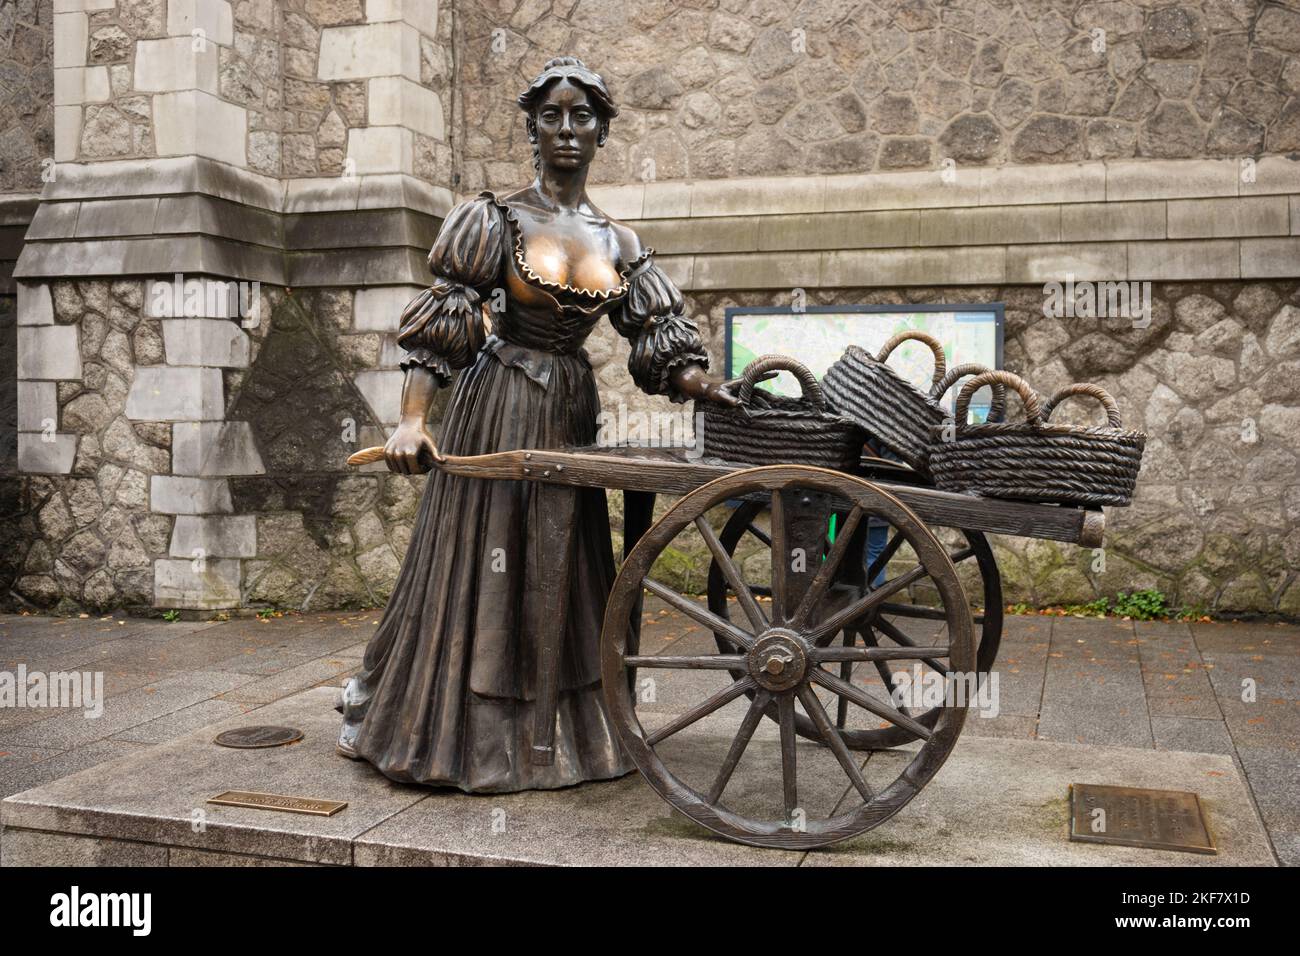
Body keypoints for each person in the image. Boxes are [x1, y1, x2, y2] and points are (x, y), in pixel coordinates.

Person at [336, 57, 738, 792]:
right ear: (532, 128)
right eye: (550, 115)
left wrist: (702, 384)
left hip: (569, 409)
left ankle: (569, 732)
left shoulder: (618, 240)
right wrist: (413, 421)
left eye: (581, 116)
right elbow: (443, 325)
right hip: (500, 405)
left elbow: (654, 336)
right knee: (486, 559)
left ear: (603, 130)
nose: (565, 129)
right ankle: (458, 735)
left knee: (564, 562)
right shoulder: (493, 217)